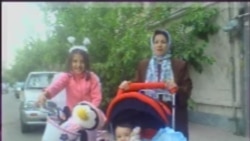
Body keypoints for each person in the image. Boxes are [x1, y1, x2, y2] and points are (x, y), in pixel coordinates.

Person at [119, 29, 192, 140]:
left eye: (163, 42)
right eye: (156, 42)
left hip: (172, 111)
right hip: (150, 111)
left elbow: (187, 89)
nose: (159, 45)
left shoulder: (179, 65)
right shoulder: (143, 65)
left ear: (168, 44)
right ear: (152, 45)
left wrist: (176, 88)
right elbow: (136, 84)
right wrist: (127, 85)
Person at [37, 44, 102, 141]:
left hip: (90, 118)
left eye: (82, 62)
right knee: (62, 136)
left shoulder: (92, 78)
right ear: (70, 62)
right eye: (75, 61)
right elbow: (55, 86)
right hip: (73, 117)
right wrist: (45, 94)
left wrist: (90, 112)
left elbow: (96, 97)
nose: (78, 65)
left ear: (86, 63)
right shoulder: (67, 77)